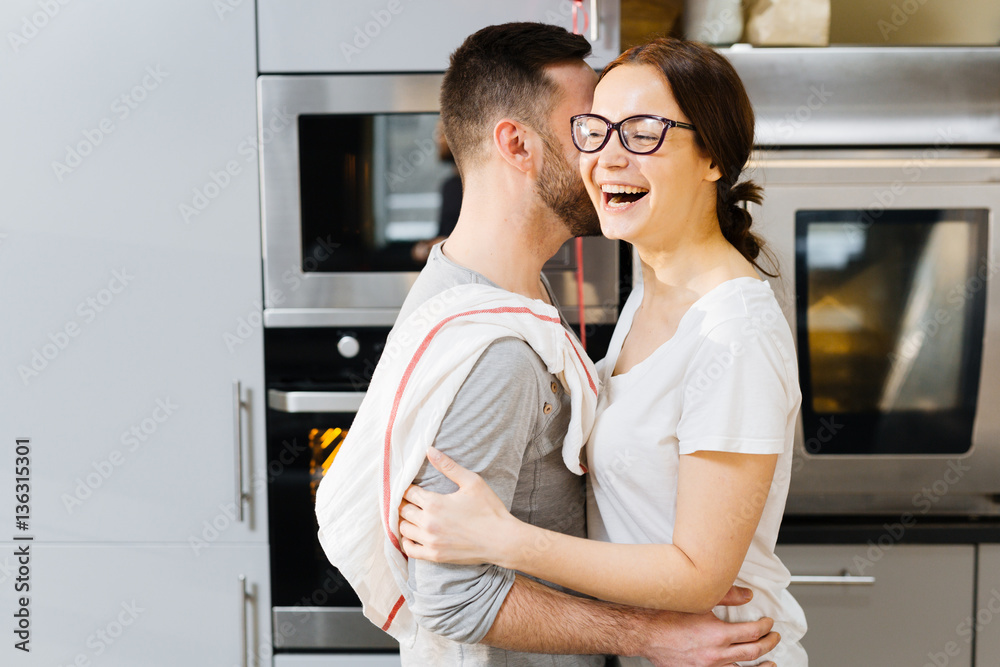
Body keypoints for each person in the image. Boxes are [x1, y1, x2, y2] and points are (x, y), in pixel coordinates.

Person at [320, 23, 781, 667]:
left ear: (712, 158)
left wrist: (518, 545)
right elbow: (452, 597)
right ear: (518, 144)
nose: (605, 153)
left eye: (638, 131)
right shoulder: (499, 346)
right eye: (589, 127)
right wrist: (647, 633)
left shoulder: (527, 301)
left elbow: (698, 566)